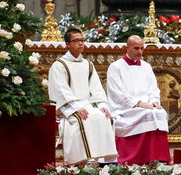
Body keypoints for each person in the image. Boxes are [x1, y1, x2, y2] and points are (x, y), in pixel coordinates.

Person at [48, 29, 117, 165]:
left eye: (82, 40)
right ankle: (83, 161)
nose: (80, 43)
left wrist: (102, 105)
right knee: (83, 119)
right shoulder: (59, 65)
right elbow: (61, 90)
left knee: (105, 117)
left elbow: (96, 87)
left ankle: (103, 160)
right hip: (68, 106)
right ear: (68, 44)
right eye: (76, 41)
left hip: (87, 104)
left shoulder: (87, 64)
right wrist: (76, 106)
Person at [105, 35, 170, 164]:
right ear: (127, 48)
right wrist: (137, 103)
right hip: (125, 108)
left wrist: (155, 102)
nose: (140, 52)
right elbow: (116, 93)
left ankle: (158, 158)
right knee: (147, 113)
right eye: (136, 48)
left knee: (159, 113)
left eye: (142, 49)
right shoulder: (115, 67)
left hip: (147, 105)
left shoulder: (146, 66)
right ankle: (138, 158)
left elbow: (153, 89)